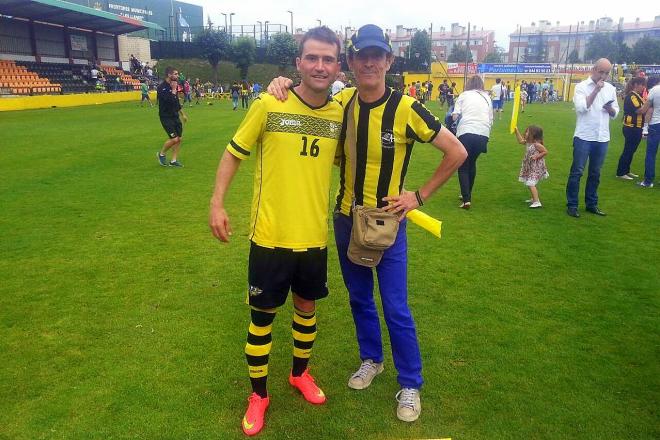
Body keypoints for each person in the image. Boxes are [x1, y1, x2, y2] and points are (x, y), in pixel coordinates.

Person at [267, 23, 466, 423]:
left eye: (379, 56)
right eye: (363, 55)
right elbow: (306, 99)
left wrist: (418, 197)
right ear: (353, 62)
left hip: (388, 224)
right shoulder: (342, 103)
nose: (370, 62)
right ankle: (371, 360)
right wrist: (281, 83)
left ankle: (410, 383)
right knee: (359, 299)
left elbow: (456, 151)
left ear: (389, 61)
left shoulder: (407, 107)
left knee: (395, 306)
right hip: (346, 219)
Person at [209, 26, 343, 437]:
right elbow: (234, 153)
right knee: (262, 318)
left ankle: (300, 374)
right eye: (312, 58)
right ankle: (259, 395)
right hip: (269, 236)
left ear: (337, 66)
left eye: (328, 59)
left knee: (307, 308)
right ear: (298, 62)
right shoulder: (270, 102)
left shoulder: (341, 112)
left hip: (313, 238)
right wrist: (217, 203)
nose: (319, 66)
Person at [566, 58, 619, 218]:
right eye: (601, 71)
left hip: (602, 137)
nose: (603, 75)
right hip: (584, 136)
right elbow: (582, 108)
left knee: (595, 173)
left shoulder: (610, 88)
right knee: (577, 172)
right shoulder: (581, 87)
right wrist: (595, 90)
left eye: (607, 73)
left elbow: (616, 112)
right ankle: (572, 205)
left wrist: (610, 109)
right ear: (594, 69)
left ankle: (591, 204)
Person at [452, 75, 493, 209]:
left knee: (463, 165)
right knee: (472, 163)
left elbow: (455, 115)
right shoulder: (487, 97)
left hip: (466, 131)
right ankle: (467, 193)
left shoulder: (463, 95)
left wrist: (452, 119)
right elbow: (490, 119)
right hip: (483, 134)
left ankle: (466, 199)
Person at [615, 76, 646, 180]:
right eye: (642, 85)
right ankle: (620, 172)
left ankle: (626, 170)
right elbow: (639, 110)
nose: (643, 87)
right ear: (636, 85)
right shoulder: (632, 96)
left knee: (631, 150)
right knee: (628, 150)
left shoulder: (637, 96)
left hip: (636, 127)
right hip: (631, 127)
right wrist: (650, 105)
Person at [156, 67, 188, 168]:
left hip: (175, 116)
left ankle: (173, 161)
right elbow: (168, 101)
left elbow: (176, 102)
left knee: (179, 139)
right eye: (175, 74)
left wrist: (183, 114)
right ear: (169, 75)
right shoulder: (162, 88)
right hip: (166, 116)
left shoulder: (174, 85)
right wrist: (174, 90)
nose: (177, 76)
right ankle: (161, 154)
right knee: (174, 139)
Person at [513, 125, 549, 208]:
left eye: (528, 132)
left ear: (534, 134)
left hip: (536, 167)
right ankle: (534, 198)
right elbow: (520, 141)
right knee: (528, 182)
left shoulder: (537, 145)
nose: (525, 133)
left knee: (530, 183)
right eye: (526, 131)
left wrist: (537, 156)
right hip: (529, 166)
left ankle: (537, 202)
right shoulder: (528, 142)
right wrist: (516, 131)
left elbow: (545, 152)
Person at [635, 76, 660, 188]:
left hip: (655, 124)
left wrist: (634, 111)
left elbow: (645, 110)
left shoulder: (654, 90)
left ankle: (648, 181)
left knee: (651, 154)